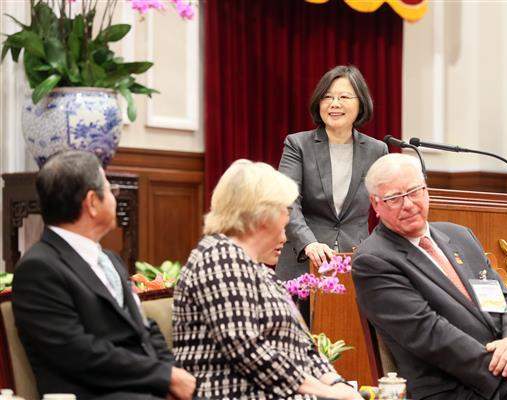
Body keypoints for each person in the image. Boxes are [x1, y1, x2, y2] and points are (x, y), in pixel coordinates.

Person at [352, 153, 507, 400]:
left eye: (414, 191)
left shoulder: (459, 236)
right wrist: (505, 367)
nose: (408, 204)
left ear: (426, 191)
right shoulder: (374, 259)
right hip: (455, 385)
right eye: (394, 198)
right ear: (376, 204)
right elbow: (429, 333)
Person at [12, 151, 196, 400]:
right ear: (92, 202)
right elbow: (79, 354)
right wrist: (164, 377)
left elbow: (144, 328)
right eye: (110, 190)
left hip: (143, 390)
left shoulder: (111, 260)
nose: (114, 198)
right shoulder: (39, 269)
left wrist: (171, 377)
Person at [172, 159, 362, 400]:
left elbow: (303, 346)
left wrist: (338, 385)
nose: (287, 225)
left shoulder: (259, 270)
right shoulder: (219, 257)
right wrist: (325, 392)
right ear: (263, 216)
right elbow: (244, 348)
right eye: (285, 211)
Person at [276, 65, 388, 286]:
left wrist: (377, 252)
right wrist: (309, 243)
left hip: (357, 264)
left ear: (360, 103)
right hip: (303, 263)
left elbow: (386, 207)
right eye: (327, 97)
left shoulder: (377, 150)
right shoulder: (298, 145)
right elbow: (286, 201)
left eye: (344, 97)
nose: (335, 103)